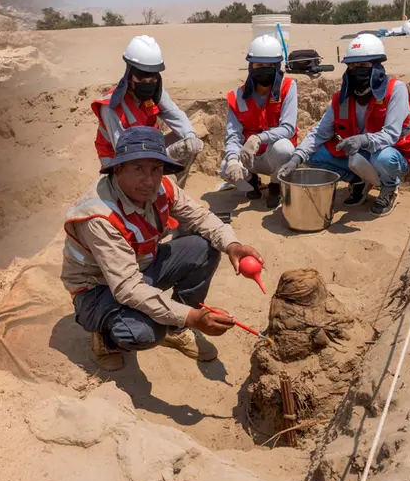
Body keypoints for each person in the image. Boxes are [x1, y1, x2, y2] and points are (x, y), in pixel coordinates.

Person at [61, 126, 264, 371]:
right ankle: (106, 338)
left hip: (141, 267)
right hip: (97, 290)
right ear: (118, 169)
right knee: (145, 332)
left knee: (206, 248)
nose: (149, 180)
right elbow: (126, 287)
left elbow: (199, 217)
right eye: (138, 169)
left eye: (155, 169)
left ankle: (176, 329)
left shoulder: (162, 187)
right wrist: (192, 316)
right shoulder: (99, 216)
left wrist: (232, 244)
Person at [277, 34, 410, 217]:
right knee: (315, 156)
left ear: (376, 66)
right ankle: (358, 180)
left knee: (382, 158)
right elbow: (318, 133)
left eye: (362, 66)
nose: (355, 70)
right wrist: (296, 159)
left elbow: (391, 135)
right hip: (359, 155)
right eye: (352, 66)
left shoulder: (395, 90)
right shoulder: (342, 98)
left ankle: (389, 188)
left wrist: (363, 139)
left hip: (391, 154)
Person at [91, 35, 204, 176]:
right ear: (129, 73)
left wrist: (190, 136)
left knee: (185, 140)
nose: (148, 82)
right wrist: (167, 154)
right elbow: (126, 154)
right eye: (142, 77)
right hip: (120, 166)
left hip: (150, 149)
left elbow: (175, 115)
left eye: (153, 77)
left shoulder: (155, 91)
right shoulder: (110, 107)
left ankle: (169, 189)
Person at [221, 35, 299, 209]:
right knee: (226, 165)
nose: (264, 70)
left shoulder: (288, 87)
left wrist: (258, 138)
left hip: (275, 157)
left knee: (284, 148)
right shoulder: (237, 96)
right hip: (251, 157)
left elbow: (288, 128)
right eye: (259, 65)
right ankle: (251, 181)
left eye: (269, 66)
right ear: (251, 66)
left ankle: (275, 185)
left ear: (277, 66)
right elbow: (232, 136)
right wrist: (234, 160)